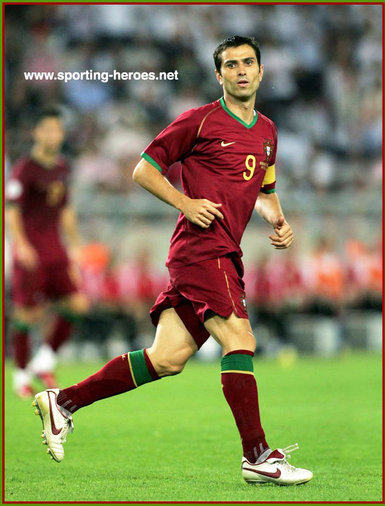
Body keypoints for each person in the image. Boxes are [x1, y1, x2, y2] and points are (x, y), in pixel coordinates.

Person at [33, 36, 313, 486]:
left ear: (261, 71)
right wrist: (185, 202)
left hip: (223, 251)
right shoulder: (198, 121)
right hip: (203, 249)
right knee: (240, 337)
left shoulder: (268, 133)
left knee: (166, 359)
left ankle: (62, 402)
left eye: (248, 63)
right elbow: (143, 168)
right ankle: (258, 454)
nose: (240, 70)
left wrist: (277, 218)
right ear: (218, 75)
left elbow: (263, 187)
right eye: (230, 65)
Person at [6, 107, 89, 398]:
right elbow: (12, 211)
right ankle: (20, 377)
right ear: (37, 132)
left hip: (56, 250)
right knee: (27, 313)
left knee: (78, 303)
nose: (53, 135)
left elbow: (65, 209)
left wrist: (76, 245)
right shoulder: (24, 169)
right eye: (48, 129)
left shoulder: (62, 167)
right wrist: (21, 244)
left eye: (58, 130)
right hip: (31, 250)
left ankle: (45, 360)